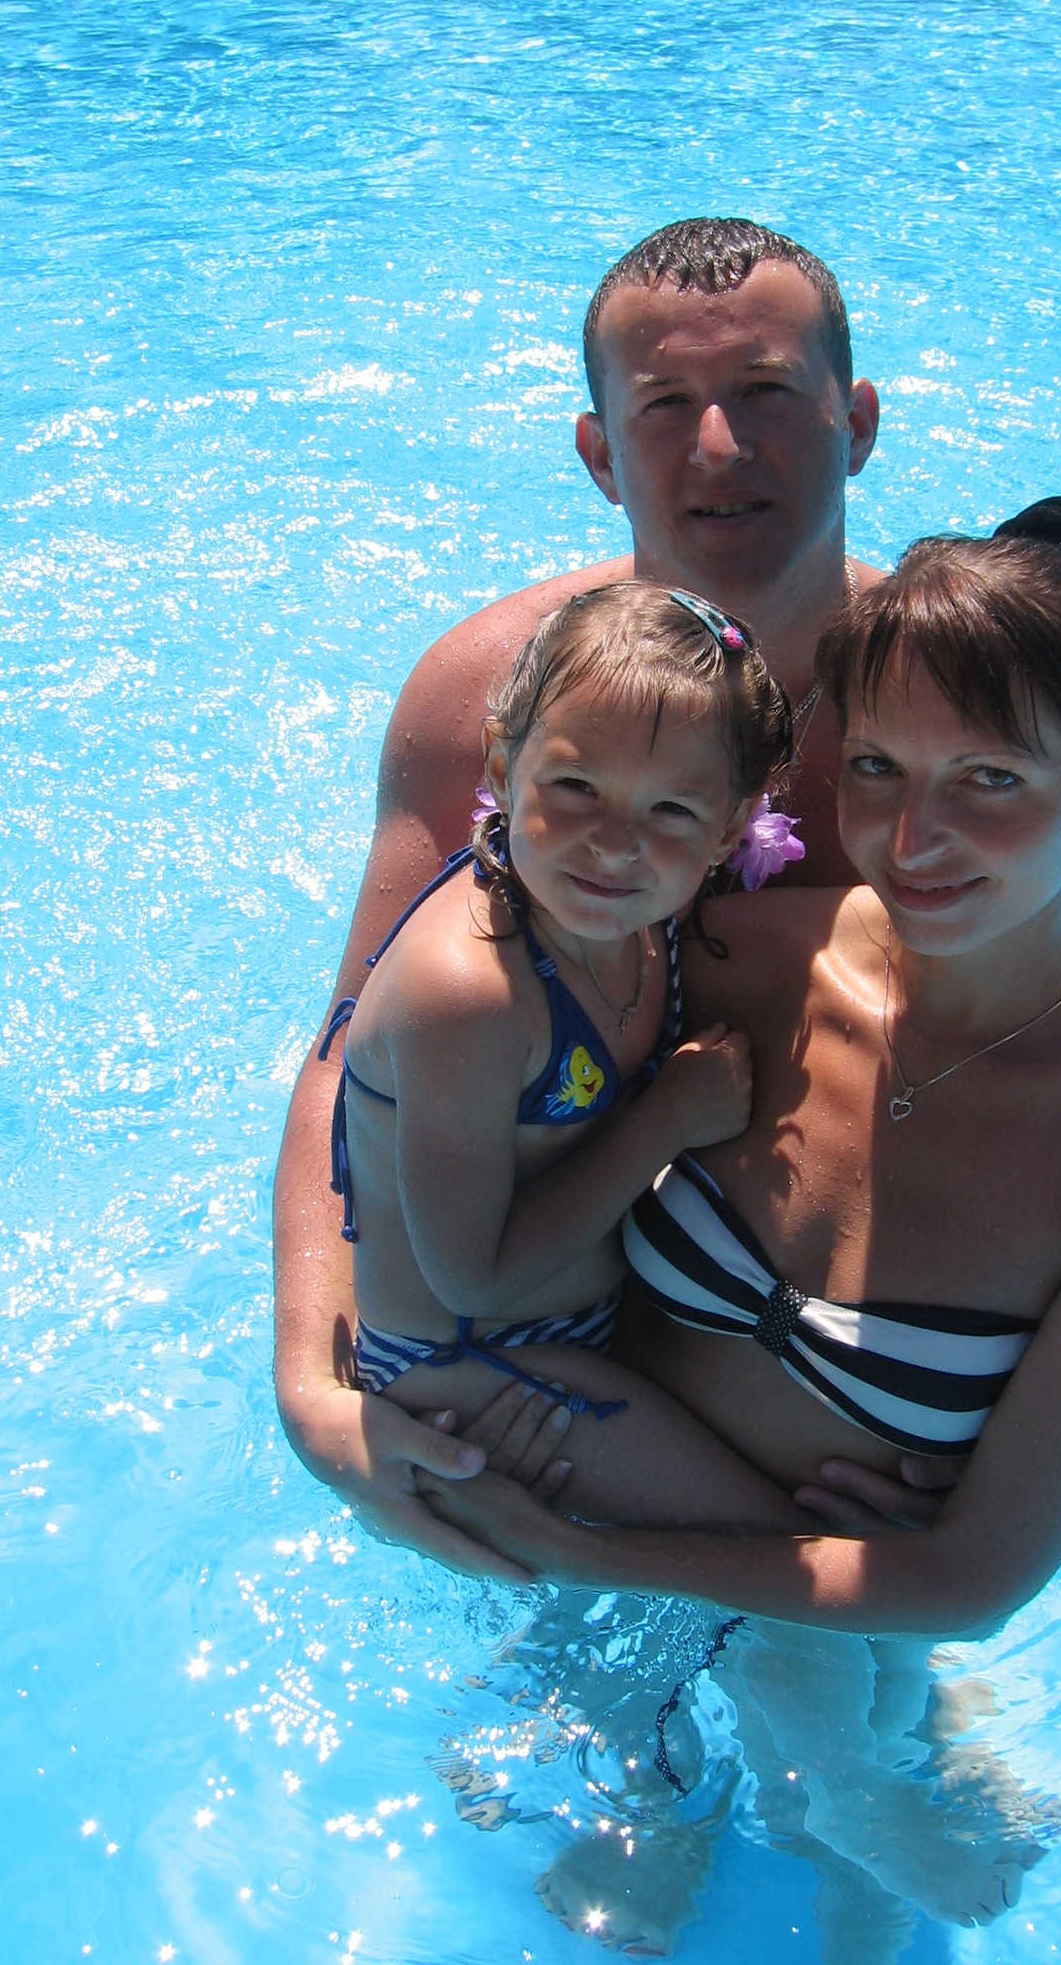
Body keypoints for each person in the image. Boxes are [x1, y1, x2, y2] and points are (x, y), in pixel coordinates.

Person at [415, 514, 1061, 1636]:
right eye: (877, 767)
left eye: (990, 778)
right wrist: (338, 1409)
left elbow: (974, 1584)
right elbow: (413, 1076)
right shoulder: (733, 960)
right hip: (550, 1538)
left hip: (812, 1620)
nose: (914, 839)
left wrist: (587, 1554)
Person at [273, 217, 887, 1569]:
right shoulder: (483, 695)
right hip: (530, 1331)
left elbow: (1030, 1053)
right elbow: (351, 1054)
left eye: (766, 391)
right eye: (665, 405)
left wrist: (952, 1428)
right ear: (600, 454)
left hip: (787, 1375)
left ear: (856, 424)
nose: (718, 446)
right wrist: (312, 1390)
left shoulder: (949, 718)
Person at [321, 577, 805, 1529]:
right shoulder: (470, 995)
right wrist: (666, 1120)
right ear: (504, 764)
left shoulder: (630, 917)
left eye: (671, 811)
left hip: (585, 1319)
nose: (615, 845)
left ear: (730, 826)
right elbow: (474, 1273)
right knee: (777, 1549)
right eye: (576, 788)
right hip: (466, 1371)